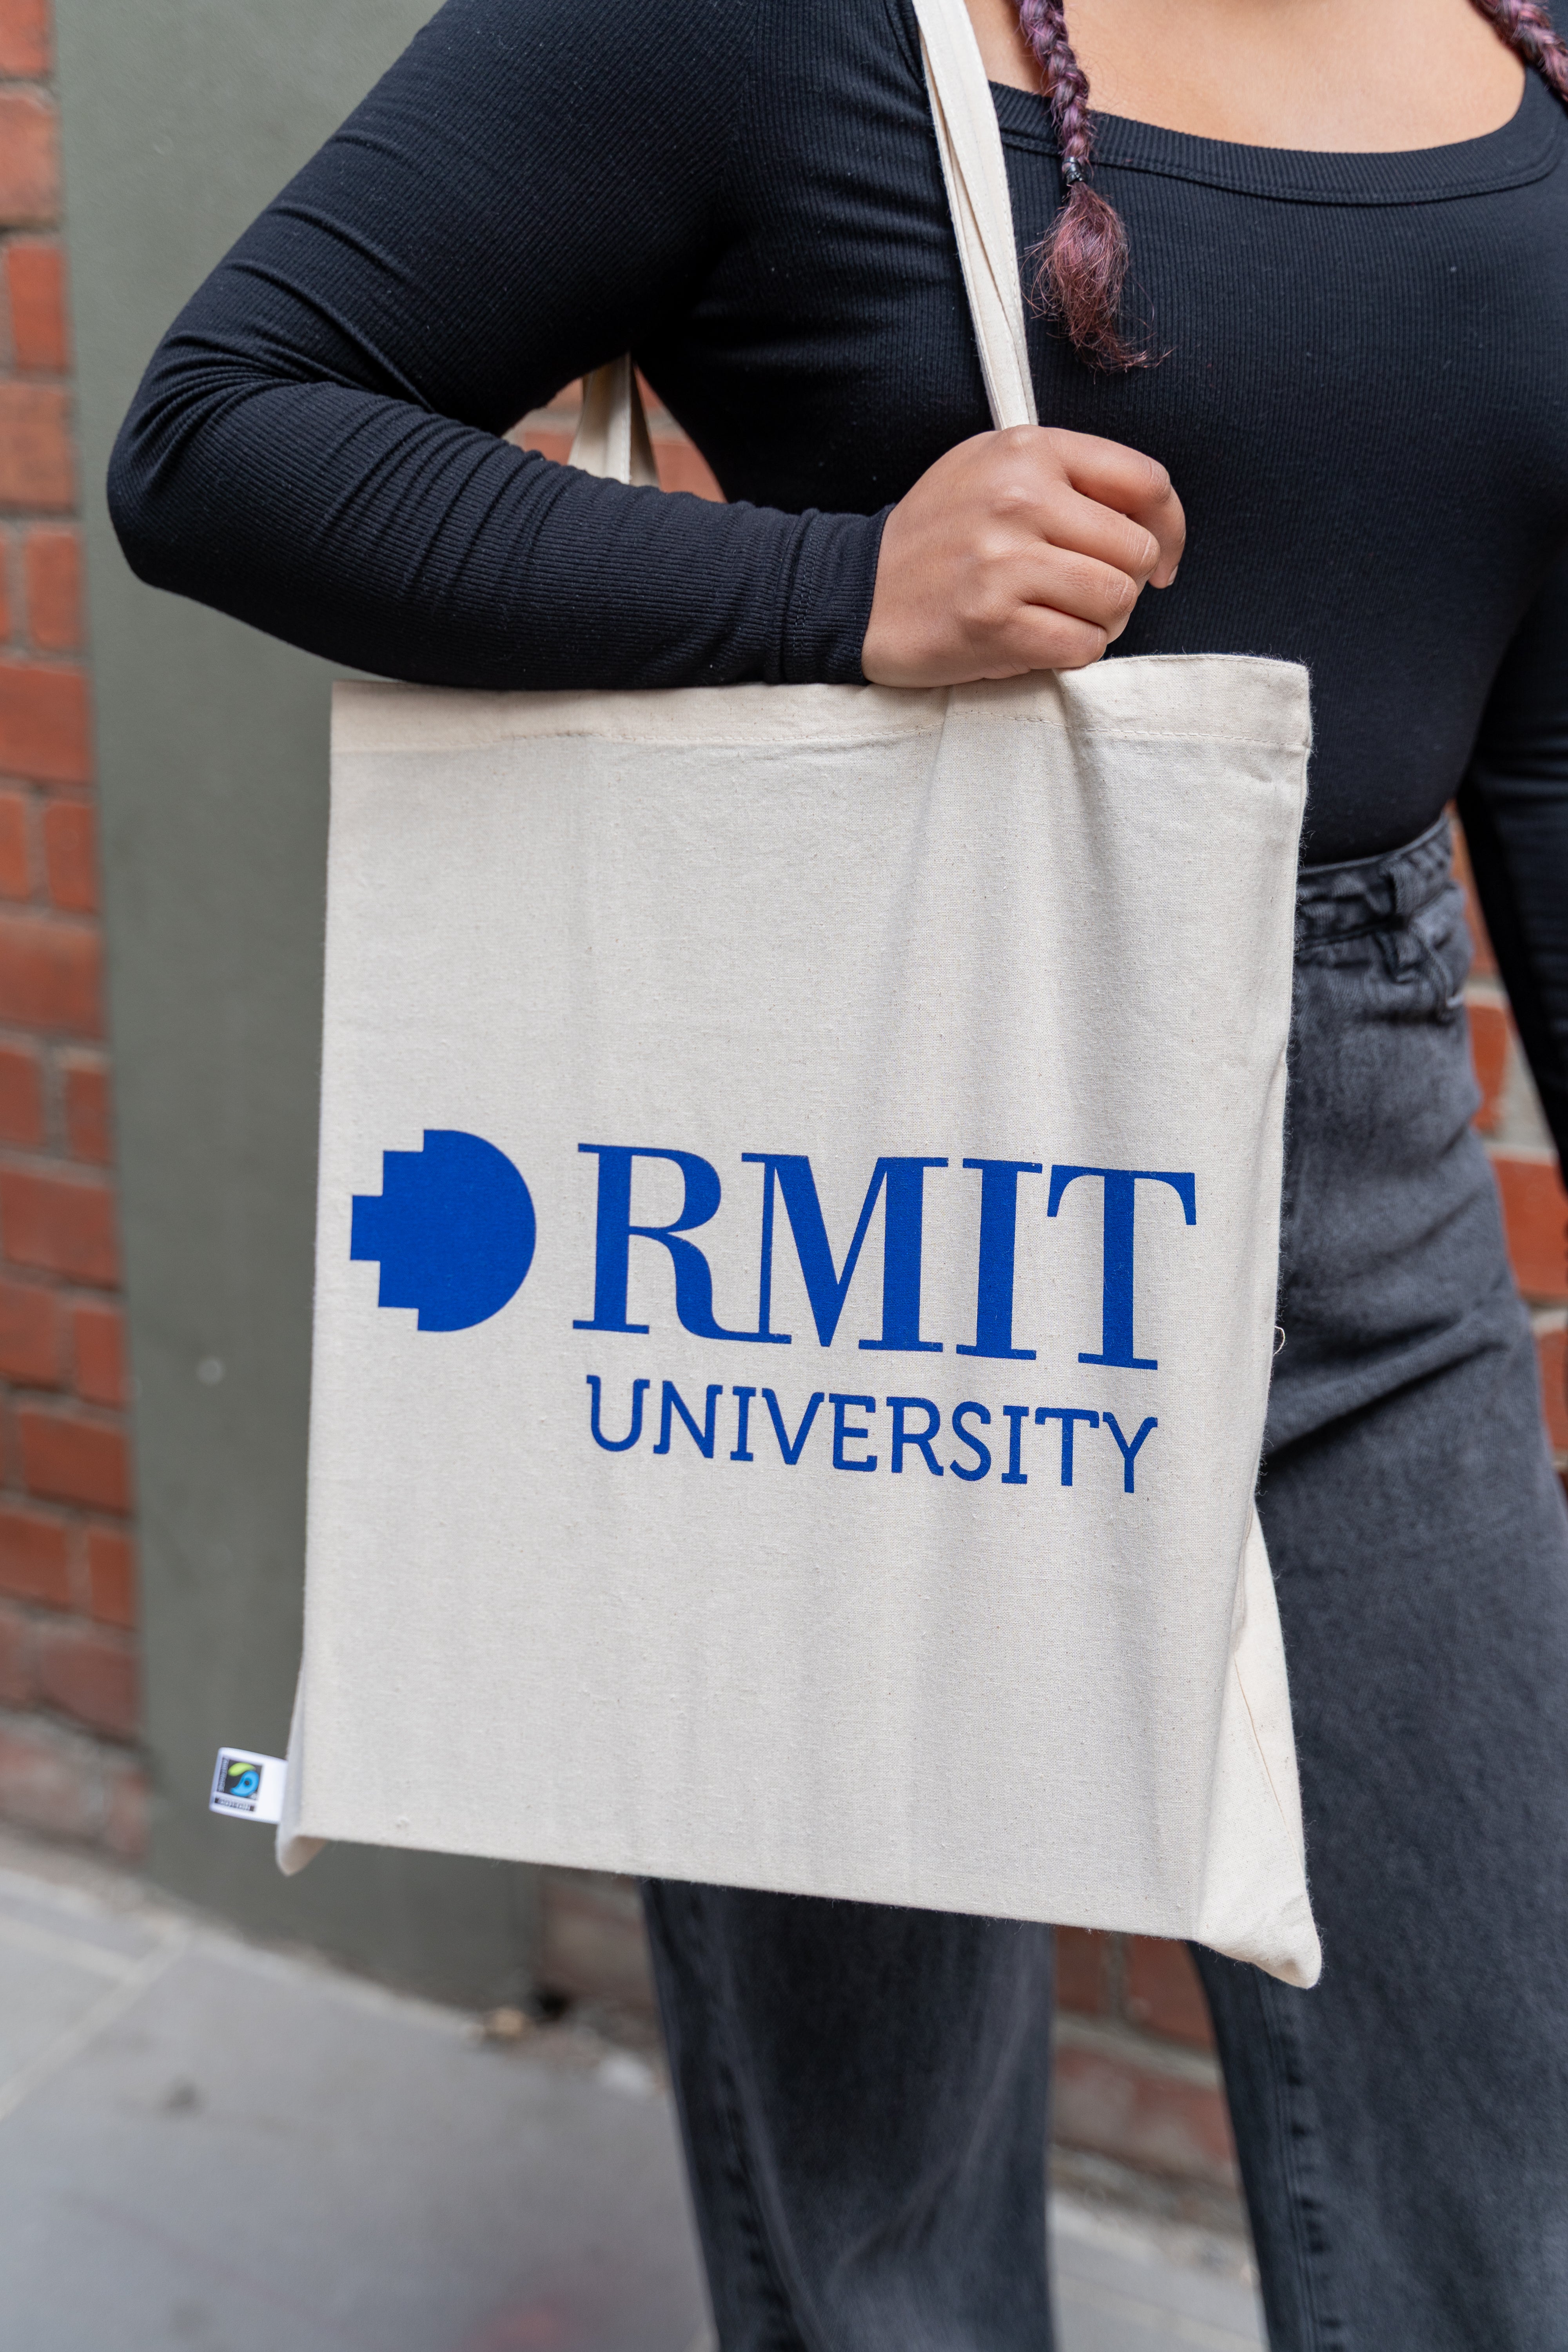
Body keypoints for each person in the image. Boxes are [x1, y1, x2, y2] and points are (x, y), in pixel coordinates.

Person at [108, 0, 1568, 2341]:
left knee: (1500, 2180)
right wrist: (835, 600)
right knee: (883, 2226)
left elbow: (1552, 735)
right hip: (885, 1209)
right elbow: (216, 439)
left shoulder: (1517, 29)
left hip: (1368, 1202)